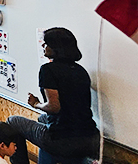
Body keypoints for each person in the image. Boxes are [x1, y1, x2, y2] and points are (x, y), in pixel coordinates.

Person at [6, 27, 99, 164]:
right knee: (42, 118)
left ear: (56, 48)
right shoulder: (81, 71)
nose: (43, 46)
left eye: (46, 44)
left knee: (13, 121)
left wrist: (35, 103)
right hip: (90, 137)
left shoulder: (48, 70)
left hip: (62, 140)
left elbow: (54, 107)